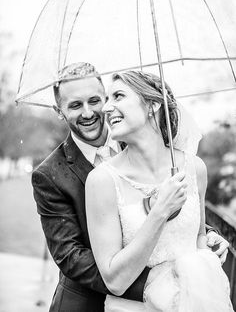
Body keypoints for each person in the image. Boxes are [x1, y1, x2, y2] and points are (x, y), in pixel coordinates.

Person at [32, 62, 229, 312]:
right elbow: (72, 257)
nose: (90, 112)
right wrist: (167, 282)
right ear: (58, 111)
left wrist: (205, 239)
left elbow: (181, 217)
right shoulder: (50, 175)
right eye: (74, 105)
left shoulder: (141, 141)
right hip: (92, 301)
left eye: (95, 100)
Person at [85, 70, 234, 311]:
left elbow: (195, 238)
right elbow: (115, 281)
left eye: (118, 96)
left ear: (153, 104)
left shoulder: (194, 168)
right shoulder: (101, 180)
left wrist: (209, 244)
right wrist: (160, 211)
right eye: (107, 99)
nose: (105, 108)